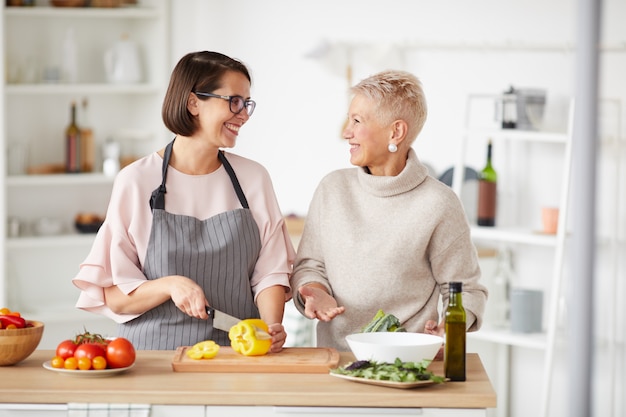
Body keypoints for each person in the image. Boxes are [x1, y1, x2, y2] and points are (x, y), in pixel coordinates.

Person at [73, 51, 294, 351]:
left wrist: (270, 328)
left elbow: (269, 274)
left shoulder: (254, 178)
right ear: (193, 103)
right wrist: (169, 285)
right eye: (234, 101)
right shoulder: (136, 181)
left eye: (247, 104)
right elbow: (115, 298)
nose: (243, 114)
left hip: (236, 356)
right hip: (152, 361)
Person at [291, 70, 487, 351]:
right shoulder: (332, 189)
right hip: (335, 362)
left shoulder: (439, 203)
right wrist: (316, 292)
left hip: (405, 365)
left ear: (396, 131)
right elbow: (310, 266)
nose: (347, 132)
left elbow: (465, 290)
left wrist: (448, 328)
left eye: (357, 121)